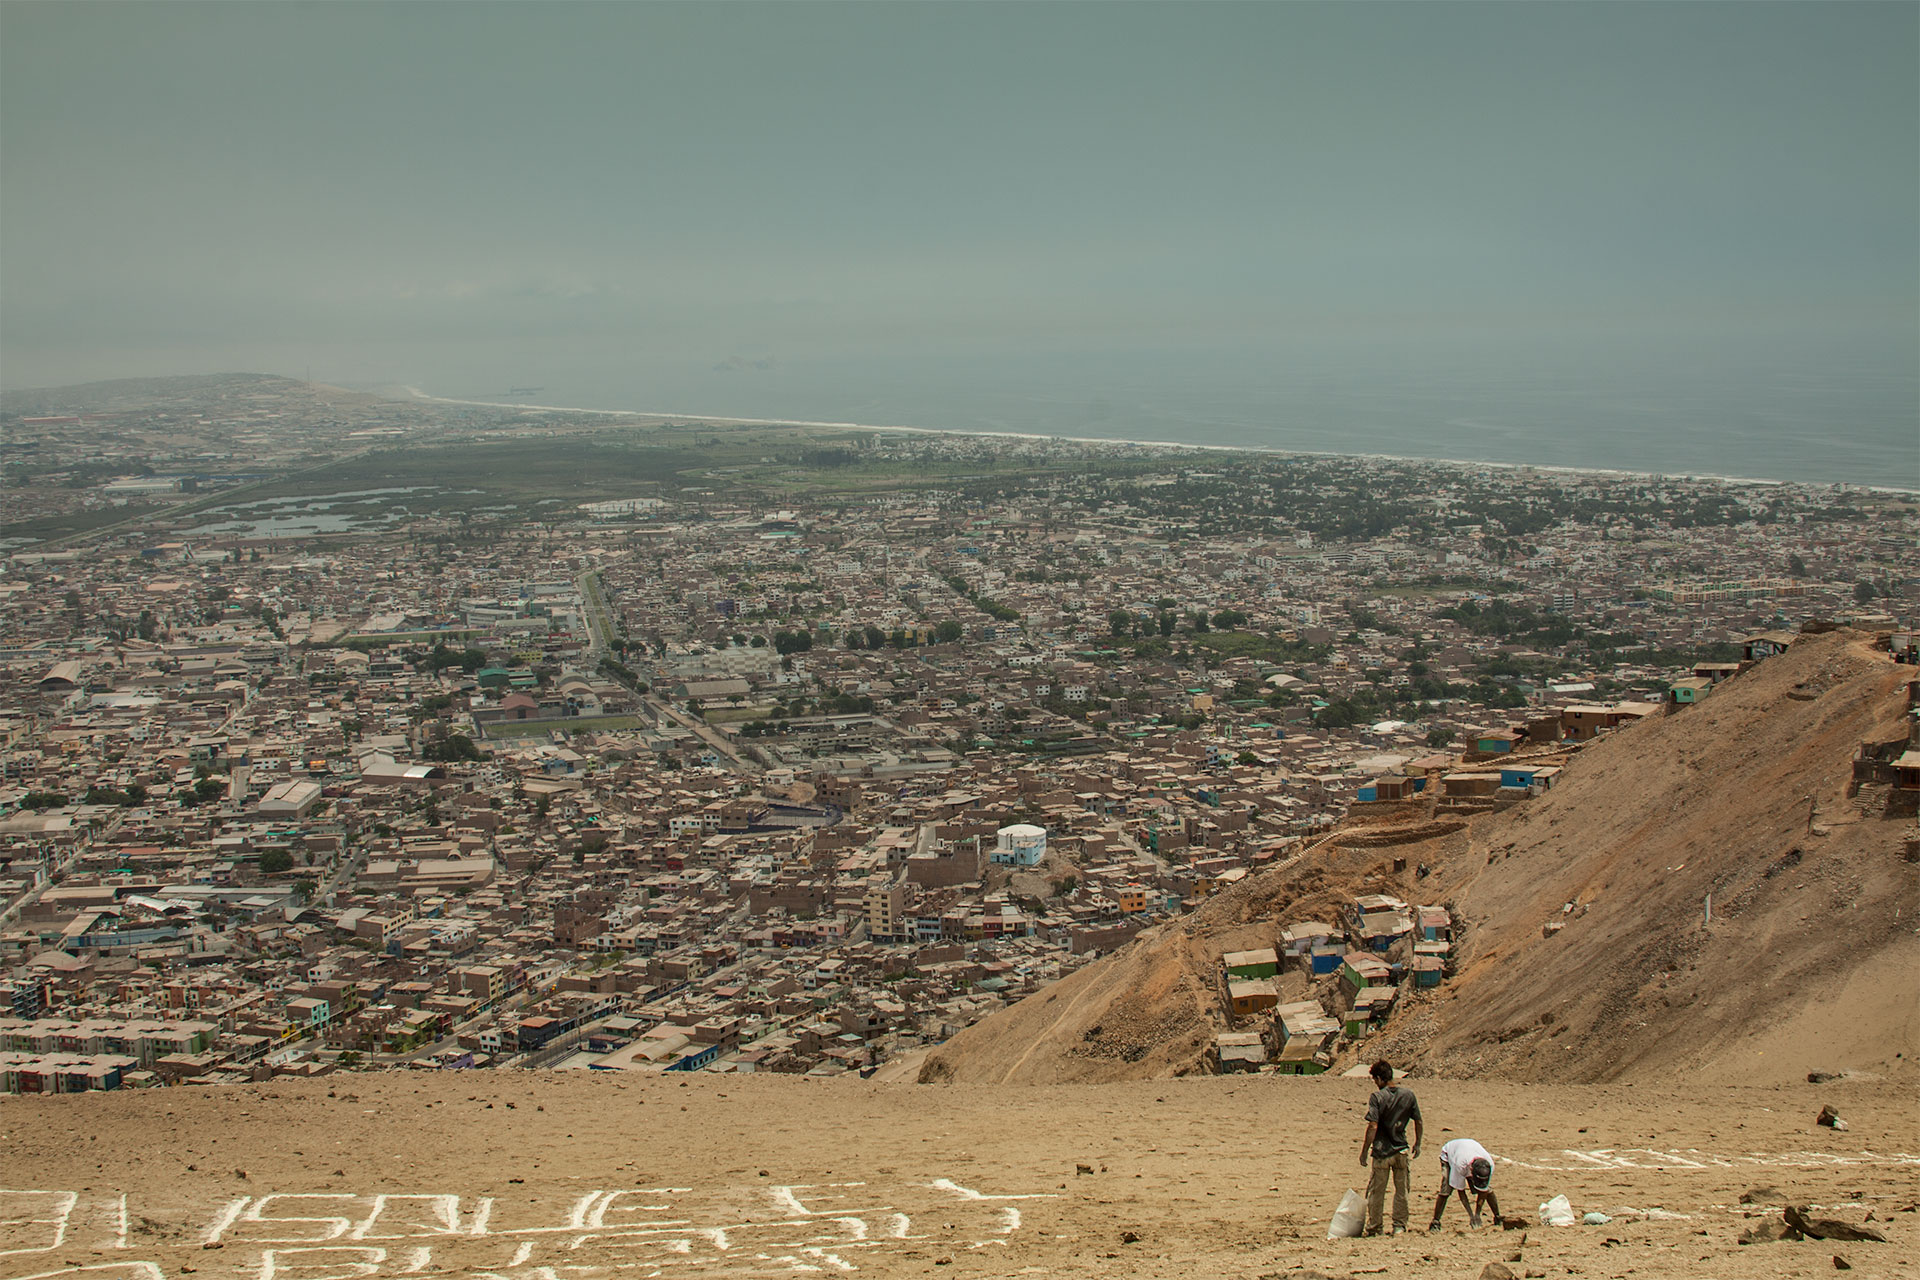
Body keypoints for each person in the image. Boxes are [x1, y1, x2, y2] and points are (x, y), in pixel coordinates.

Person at [1358, 1059, 1422, 1236]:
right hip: (1401, 1149)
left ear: (1379, 1078)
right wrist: (1418, 1143)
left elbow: (1372, 1126)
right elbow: (1418, 1120)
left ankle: (1375, 1227)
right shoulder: (1408, 1095)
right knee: (1402, 1190)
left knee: (1377, 1192)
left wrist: (1364, 1151)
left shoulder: (1377, 1097)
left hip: (1382, 1152)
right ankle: (1399, 1225)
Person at [1428, 1136, 1501, 1231]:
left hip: (1469, 1148)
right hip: (1449, 1154)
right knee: (1446, 1189)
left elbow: (1484, 1191)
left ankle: (1497, 1217)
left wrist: (1477, 1214)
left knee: (1488, 1190)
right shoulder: (1460, 1165)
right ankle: (1436, 1221)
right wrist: (1471, 1216)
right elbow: (1461, 1192)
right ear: (1471, 1170)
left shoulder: (1489, 1165)